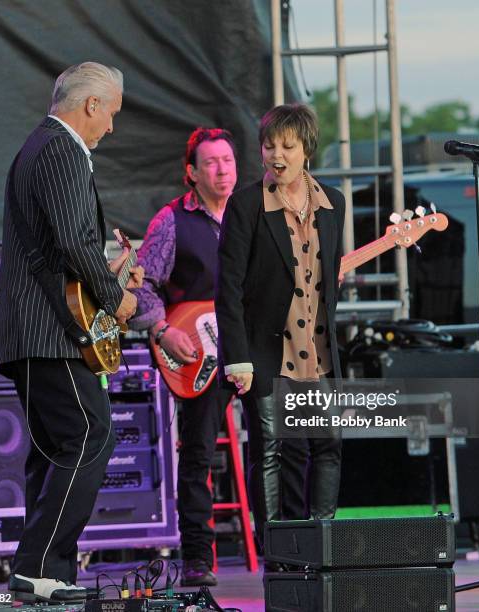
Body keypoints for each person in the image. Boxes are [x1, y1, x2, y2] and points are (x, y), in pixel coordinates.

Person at [0, 62, 141, 602]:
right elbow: (74, 243)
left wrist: (112, 270)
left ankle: (48, 577)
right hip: (48, 333)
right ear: (92, 104)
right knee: (90, 437)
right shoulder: (63, 148)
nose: (112, 128)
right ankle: (38, 566)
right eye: (112, 114)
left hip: (35, 331)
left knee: (53, 451)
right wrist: (117, 296)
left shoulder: (41, 147)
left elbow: (58, 247)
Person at [215, 103, 345, 558]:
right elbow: (227, 287)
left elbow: (328, 278)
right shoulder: (248, 204)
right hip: (265, 351)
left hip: (319, 351)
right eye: (269, 145)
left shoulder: (334, 204)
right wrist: (237, 356)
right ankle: (280, 556)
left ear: (306, 149)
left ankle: (323, 546)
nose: (276, 154)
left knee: (326, 446)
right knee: (268, 452)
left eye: (287, 146)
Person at [132, 128, 237, 586]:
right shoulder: (171, 221)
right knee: (197, 456)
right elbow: (141, 287)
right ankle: (198, 559)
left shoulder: (253, 214)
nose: (222, 170)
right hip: (198, 352)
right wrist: (163, 329)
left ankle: (291, 550)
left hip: (250, 348)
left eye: (228, 161)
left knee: (277, 448)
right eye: (211, 162)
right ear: (191, 173)